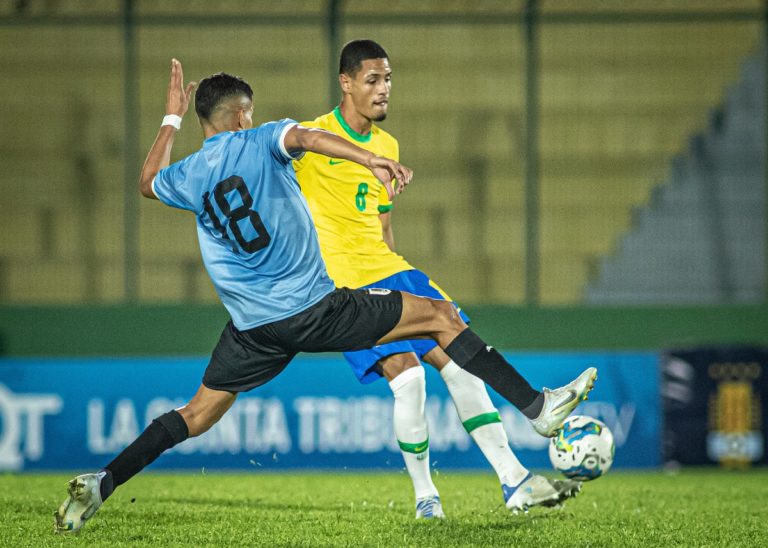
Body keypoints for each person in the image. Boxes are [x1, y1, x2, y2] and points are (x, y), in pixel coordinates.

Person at [54, 59, 596, 534]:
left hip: (252, 329)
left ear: (201, 120)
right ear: (242, 113)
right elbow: (309, 139)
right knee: (440, 316)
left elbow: (147, 181)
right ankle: (537, 409)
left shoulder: (190, 174)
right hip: (315, 310)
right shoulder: (259, 137)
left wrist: (169, 118)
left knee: (196, 414)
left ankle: (103, 482)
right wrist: (369, 159)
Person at [294, 39, 589, 519]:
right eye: (372, 80)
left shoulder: (387, 145)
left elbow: (383, 224)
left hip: (389, 268)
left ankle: (514, 479)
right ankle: (427, 496)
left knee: (459, 362)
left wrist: (398, 271)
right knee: (409, 381)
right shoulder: (310, 137)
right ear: (345, 83)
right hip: (343, 286)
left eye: (388, 79)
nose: (384, 89)